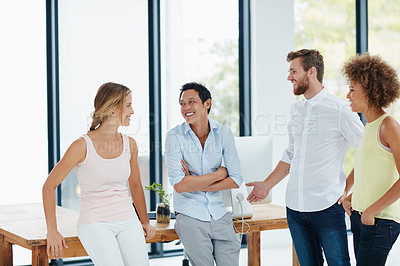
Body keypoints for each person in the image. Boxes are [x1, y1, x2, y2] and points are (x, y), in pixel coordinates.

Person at [246, 49, 364, 266]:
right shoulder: (296, 110)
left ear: (311, 71)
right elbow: (291, 153)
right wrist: (267, 185)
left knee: (339, 263)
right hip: (295, 208)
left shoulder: (341, 110)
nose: (289, 77)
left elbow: (366, 151)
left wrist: (346, 188)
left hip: (327, 206)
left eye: (293, 71)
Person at [42, 82, 155, 265]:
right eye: (128, 105)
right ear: (111, 108)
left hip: (128, 218)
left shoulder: (130, 144)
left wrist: (144, 221)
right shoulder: (81, 146)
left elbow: (135, 185)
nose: (132, 111)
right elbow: (49, 186)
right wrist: (52, 230)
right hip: (95, 222)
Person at [165, 82, 243, 266]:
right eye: (182, 103)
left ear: (207, 104)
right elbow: (179, 185)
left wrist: (193, 181)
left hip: (219, 213)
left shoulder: (224, 134)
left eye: (191, 102)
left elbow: (236, 179)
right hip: (190, 215)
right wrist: (219, 174)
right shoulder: (174, 136)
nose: (186, 108)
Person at [341, 53, 400, 265]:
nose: (348, 95)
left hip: (380, 220)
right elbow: (367, 169)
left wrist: (372, 210)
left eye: (352, 90)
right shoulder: (368, 127)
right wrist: (350, 197)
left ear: (369, 91)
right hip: (362, 216)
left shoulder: (389, 125)